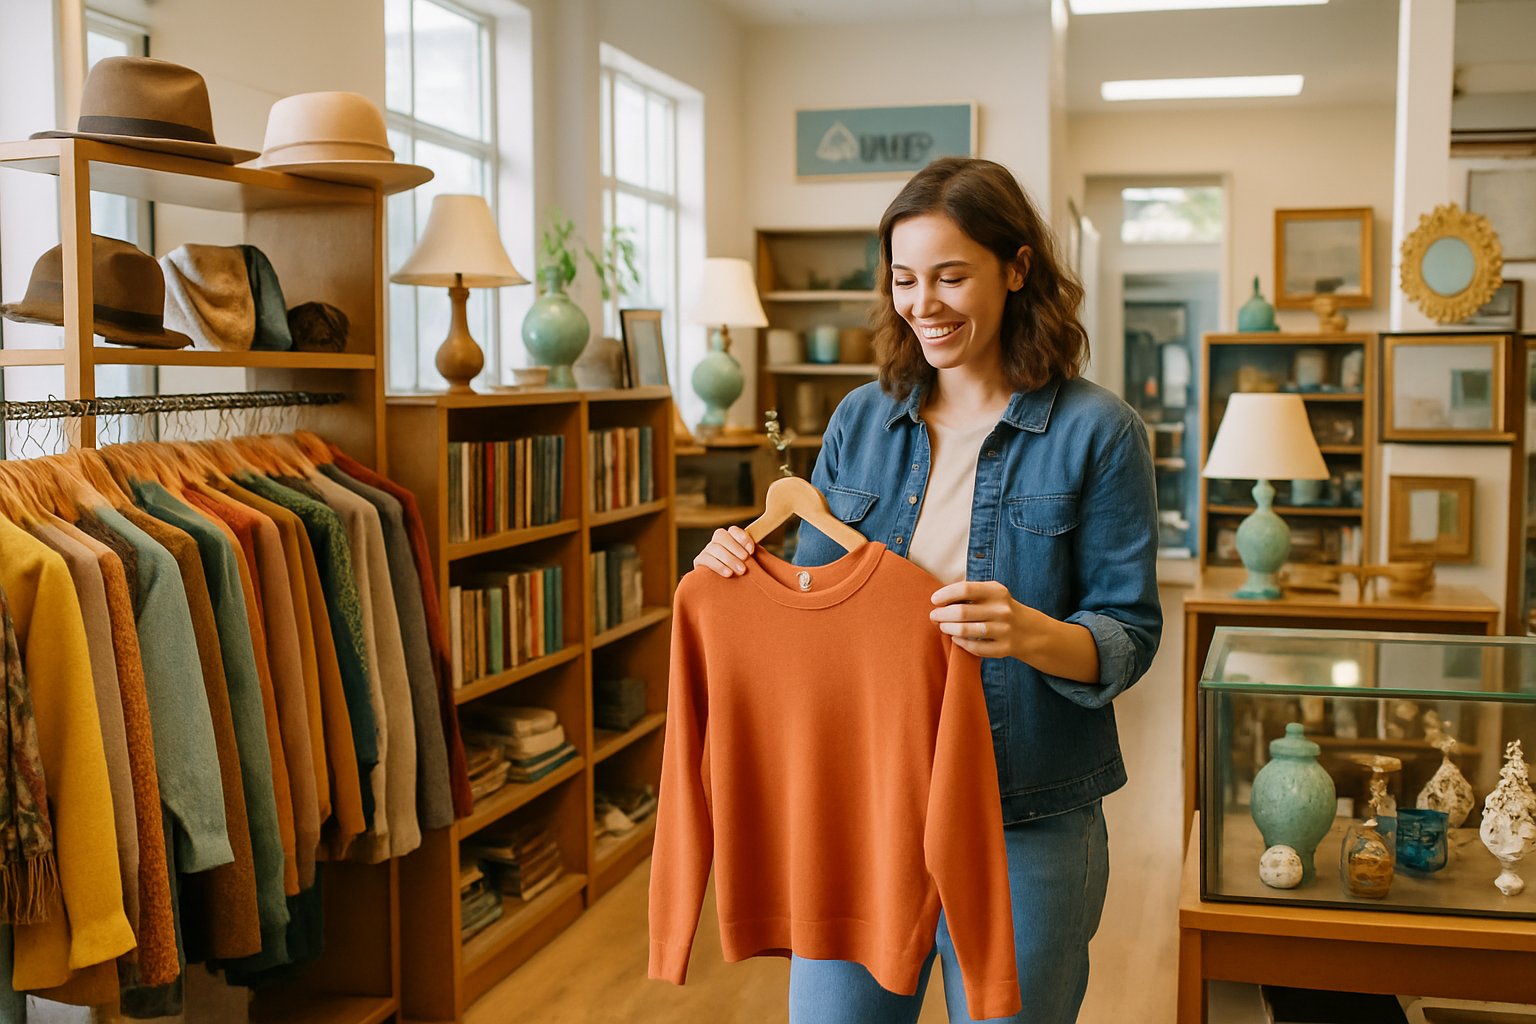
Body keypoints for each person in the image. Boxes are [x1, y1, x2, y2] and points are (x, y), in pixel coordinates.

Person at [691, 156, 1162, 1023]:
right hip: (864, 809)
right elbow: (814, 601)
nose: (925, 304)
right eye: (905, 279)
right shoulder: (861, 421)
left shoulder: (1100, 432)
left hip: (1026, 818)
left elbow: (1128, 633)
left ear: (1018, 270)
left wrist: (1029, 632)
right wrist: (738, 571)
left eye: (952, 276)